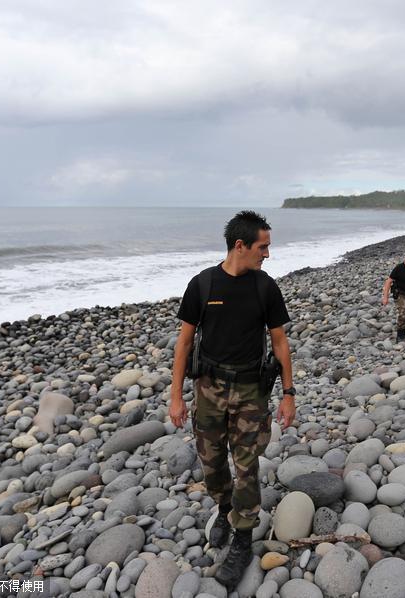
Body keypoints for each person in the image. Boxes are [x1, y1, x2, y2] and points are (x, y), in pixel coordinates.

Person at [169, 210, 296, 589]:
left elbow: (280, 343)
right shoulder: (203, 285)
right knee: (211, 464)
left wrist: (288, 394)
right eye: (263, 247)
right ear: (240, 245)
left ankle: (242, 536)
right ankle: (225, 508)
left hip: (251, 391)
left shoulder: (265, 288)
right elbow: (184, 343)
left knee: (246, 465)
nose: (267, 254)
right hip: (208, 389)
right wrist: (176, 396)